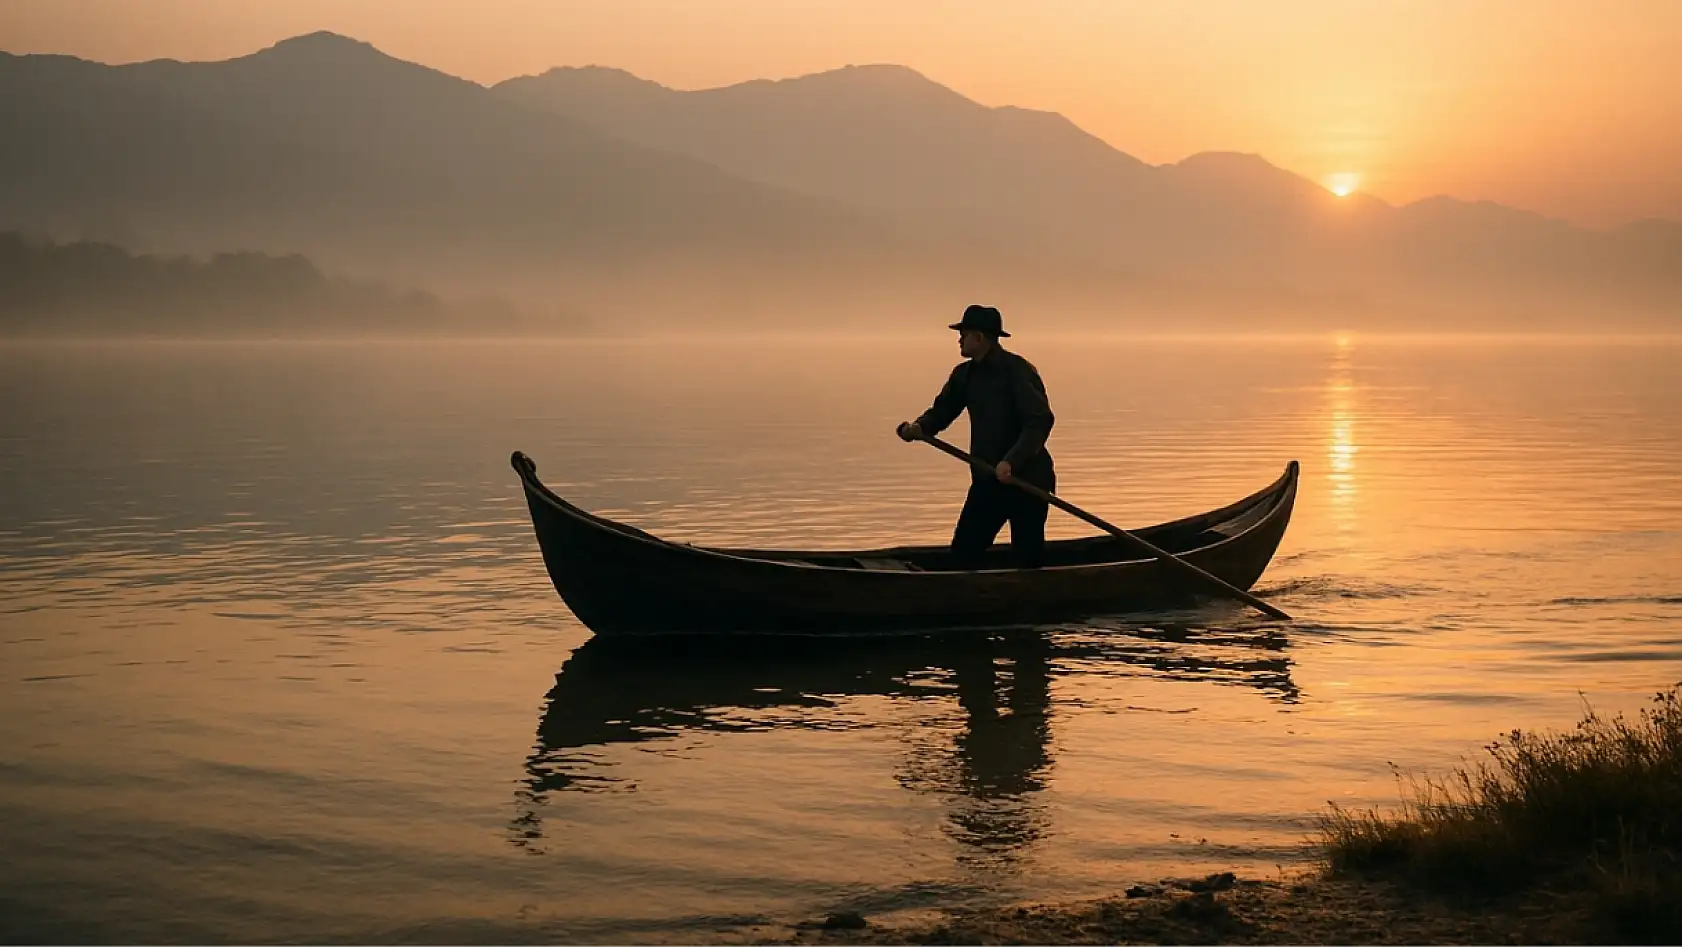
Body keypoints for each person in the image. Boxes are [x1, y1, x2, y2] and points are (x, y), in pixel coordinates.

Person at [897, 305, 1056, 569]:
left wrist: (1011, 462)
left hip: (1027, 481)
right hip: (988, 480)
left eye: (964, 333)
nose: (959, 339)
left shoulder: (1018, 371)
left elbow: (1039, 422)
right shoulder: (965, 375)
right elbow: (943, 410)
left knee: (1028, 562)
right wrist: (919, 427)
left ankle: (1030, 602)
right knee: (963, 554)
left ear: (980, 338)